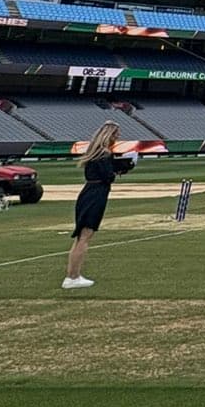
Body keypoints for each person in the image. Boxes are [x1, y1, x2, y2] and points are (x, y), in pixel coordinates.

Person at [62, 120, 139, 288]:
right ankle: (73, 277)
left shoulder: (96, 151)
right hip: (96, 194)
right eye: (116, 135)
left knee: (80, 237)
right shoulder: (103, 152)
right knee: (85, 237)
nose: (117, 138)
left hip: (89, 192)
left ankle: (72, 275)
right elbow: (108, 175)